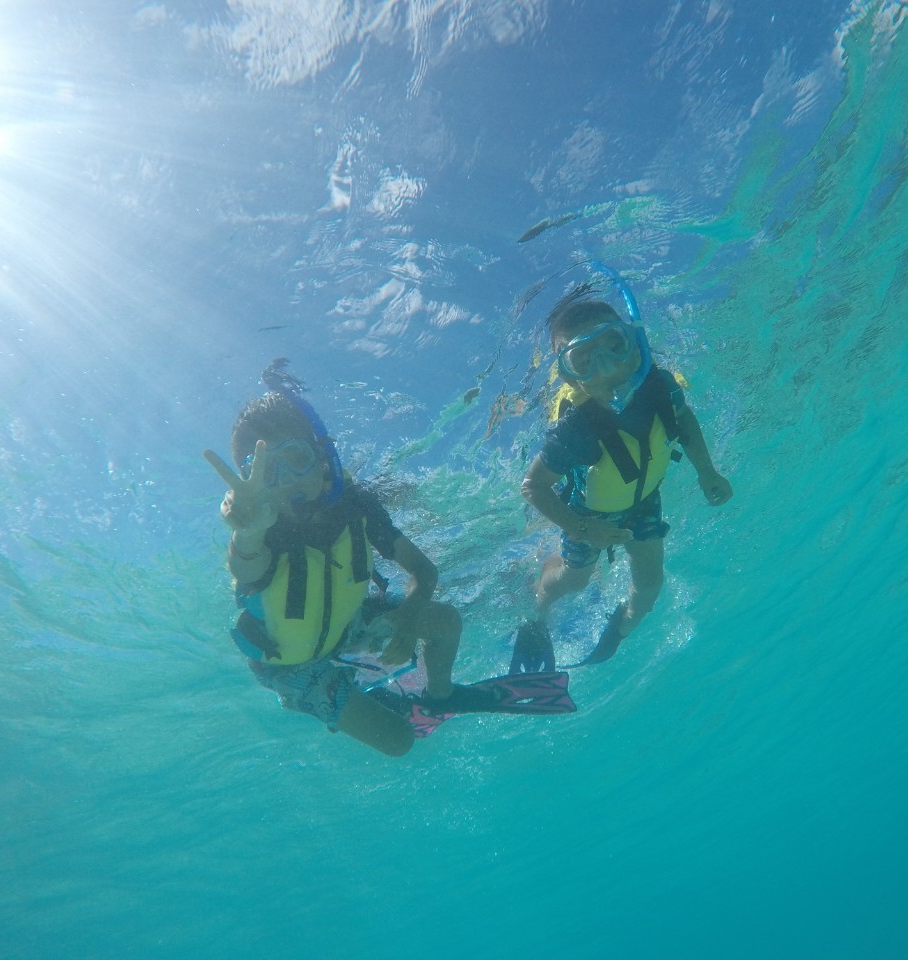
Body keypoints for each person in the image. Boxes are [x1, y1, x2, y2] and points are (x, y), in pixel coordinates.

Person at [203, 362, 466, 757]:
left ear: (322, 455)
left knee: (446, 621)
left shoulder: (357, 506)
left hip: (348, 623)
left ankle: (440, 694)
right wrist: (249, 529)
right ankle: (332, 696)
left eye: (294, 459)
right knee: (399, 741)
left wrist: (409, 622)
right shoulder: (262, 535)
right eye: (266, 473)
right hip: (290, 665)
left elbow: (423, 570)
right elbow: (244, 565)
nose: (287, 481)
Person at [512, 291, 733, 671]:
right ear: (569, 376)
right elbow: (532, 486)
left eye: (614, 345)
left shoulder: (660, 386)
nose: (606, 368)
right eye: (585, 360)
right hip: (589, 515)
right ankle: (538, 611)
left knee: (650, 585)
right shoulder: (576, 430)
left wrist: (706, 470)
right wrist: (583, 527)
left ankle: (620, 630)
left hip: (645, 501)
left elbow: (684, 420)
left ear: (634, 345)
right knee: (573, 580)